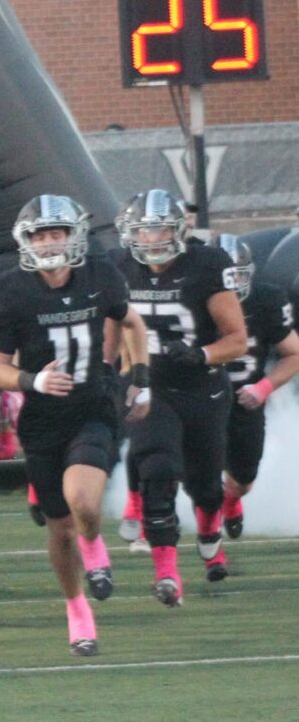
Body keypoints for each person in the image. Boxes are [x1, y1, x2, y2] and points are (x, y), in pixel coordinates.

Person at [0, 196, 151, 656]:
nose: (48, 242)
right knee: (58, 527)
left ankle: (95, 544)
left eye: (56, 233)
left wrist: (140, 380)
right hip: (41, 418)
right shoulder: (12, 290)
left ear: (72, 236)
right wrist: (30, 380)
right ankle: (76, 606)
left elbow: (132, 324)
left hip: (92, 404)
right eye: (39, 235)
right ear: (26, 241)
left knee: (84, 501)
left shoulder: (100, 275)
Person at [115, 190, 247, 603]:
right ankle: (167, 574)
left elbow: (238, 339)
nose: (152, 238)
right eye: (143, 230)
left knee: (206, 487)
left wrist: (200, 354)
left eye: (160, 228)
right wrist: (117, 377)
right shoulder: (119, 268)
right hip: (151, 388)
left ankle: (209, 529)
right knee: (157, 471)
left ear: (179, 229)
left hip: (202, 388)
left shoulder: (207, 264)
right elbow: (112, 333)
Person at [211, 234, 299, 538]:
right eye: (224, 277)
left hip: (245, 398)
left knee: (243, 479)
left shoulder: (265, 300)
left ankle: (231, 499)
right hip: (202, 397)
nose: (232, 285)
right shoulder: (191, 304)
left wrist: (263, 387)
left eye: (237, 275)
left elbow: (294, 352)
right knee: (198, 466)